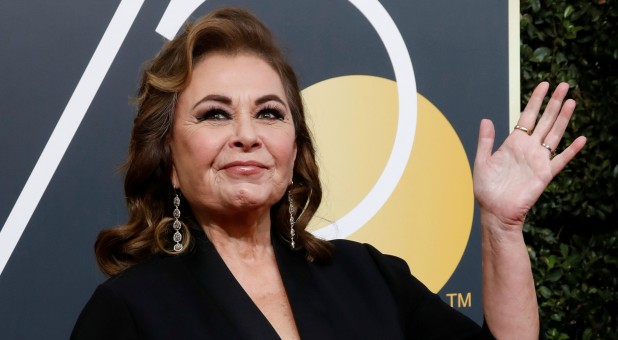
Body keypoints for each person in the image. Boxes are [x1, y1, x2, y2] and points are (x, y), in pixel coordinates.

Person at [71, 7, 586, 340]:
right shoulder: (127, 313)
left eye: (270, 113)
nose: (246, 134)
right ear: (169, 162)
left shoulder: (370, 277)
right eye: (215, 113)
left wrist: (500, 226)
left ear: (293, 152)